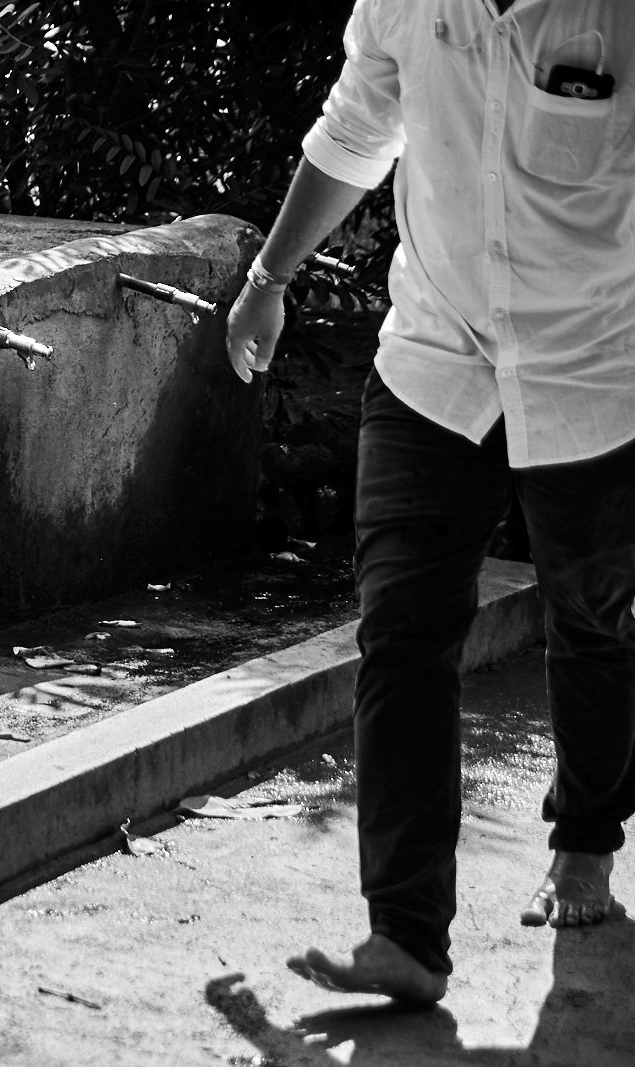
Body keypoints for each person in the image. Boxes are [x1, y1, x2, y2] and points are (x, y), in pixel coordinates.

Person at [225, 0, 635, 1005]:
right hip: (435, 358)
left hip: (596, 366)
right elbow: (356, 129)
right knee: (401, 631)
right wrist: (270, 275)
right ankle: (404, 932)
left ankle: (586, 839)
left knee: (591, 619)